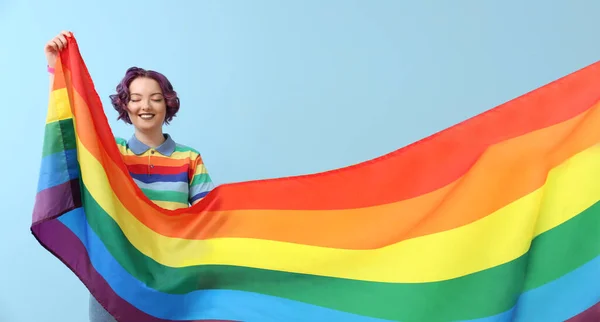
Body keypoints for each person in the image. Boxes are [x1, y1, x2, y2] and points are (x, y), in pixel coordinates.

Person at [44, 31, 215, 321]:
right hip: (115, 275)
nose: (145, 106)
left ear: (168, 104)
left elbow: (209, 216)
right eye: (136, 99)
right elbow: (69, 132)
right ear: (125, 105)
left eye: (155, 99)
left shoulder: (188, 158)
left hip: (171, 276)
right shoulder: (112, 154)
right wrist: (55, 68)